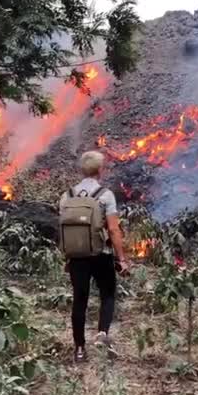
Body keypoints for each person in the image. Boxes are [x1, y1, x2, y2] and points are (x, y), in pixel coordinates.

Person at [59, 151, 128, 361]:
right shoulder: (105, 195)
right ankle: (102, 333)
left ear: (82, 170)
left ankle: (79, 349)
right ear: (100, 170)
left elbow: (64, 229)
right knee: (107, 294)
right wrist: (122, 259)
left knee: (80, 300)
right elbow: (114, 230)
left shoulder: (67, 196)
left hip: (77, 257)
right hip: (101, 254)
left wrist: (67, 258)